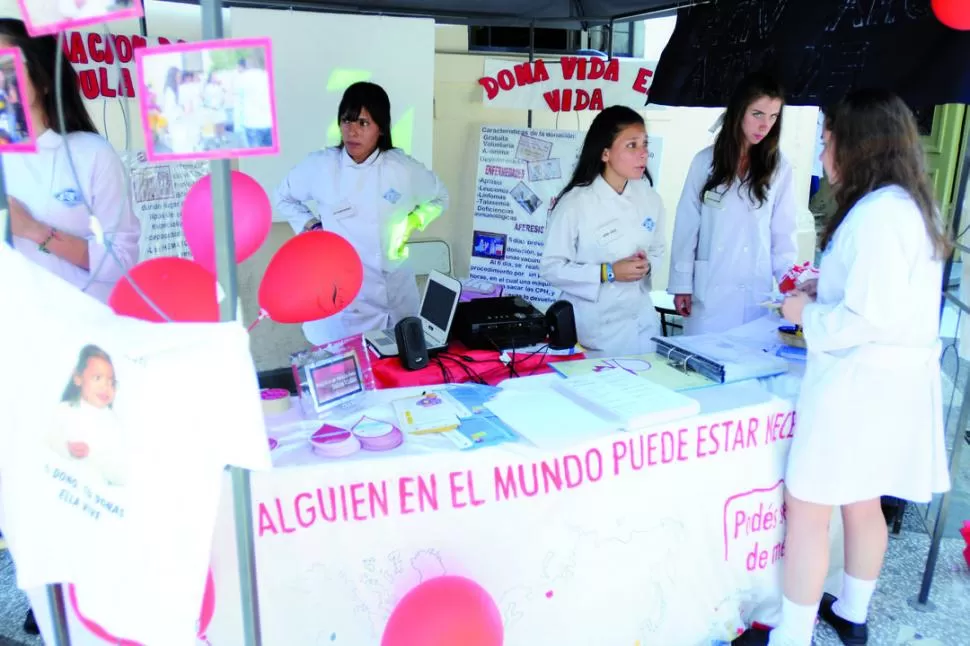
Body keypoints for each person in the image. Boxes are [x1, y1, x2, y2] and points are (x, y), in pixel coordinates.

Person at [733, 90, 950, 646]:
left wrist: (802, 309)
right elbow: (878, 297)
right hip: (889, 387)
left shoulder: (877, 216)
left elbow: (861, 318)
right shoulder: (909, 208)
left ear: (856, 148)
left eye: (828, 142)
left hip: (859, 387)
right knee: (864, 500)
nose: (823, 154)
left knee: (807, 507)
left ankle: (791, 636)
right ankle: (852, 613)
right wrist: (822, 288)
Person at [275, 81, 448, 346]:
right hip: (341, 294)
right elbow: (283, 197)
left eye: (363, 123)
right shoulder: (321, 166)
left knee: (396, 366)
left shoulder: (402, 169)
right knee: (343, 368)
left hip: (392, 294)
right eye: (347, 121)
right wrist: (312, 227)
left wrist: (412, 222)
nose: (352, 131)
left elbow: (439, 197)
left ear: (381, 128)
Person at [0, 18, 140, 305]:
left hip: (77, 327)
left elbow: (123, 258)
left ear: (43, 77)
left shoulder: (91, 154)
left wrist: (34, 230)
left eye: (6, 67)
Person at [667, 72, 797, 335]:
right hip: (710, 292)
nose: (765, 125)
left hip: (754, 293)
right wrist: (682, 283)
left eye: (773, 117)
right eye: (757, 114)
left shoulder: (780, 168)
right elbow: (687, 227)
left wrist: (790, 286)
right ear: (739, 111)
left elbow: (783, 236)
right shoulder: (704, 163)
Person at [540, 105, 666, 357]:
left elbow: (658, 249)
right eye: (632, 145)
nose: (643, 154)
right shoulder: (576, 203)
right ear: (605, 153)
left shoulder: (650, 198)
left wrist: (647, 265)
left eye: (645, 144)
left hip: (640, 323)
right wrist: (608, 272)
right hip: (597, 330)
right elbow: (551, 267)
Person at [51, 344, 127, 487]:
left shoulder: (113, 424)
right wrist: (67, 448)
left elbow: (119, 467)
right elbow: (48, 439)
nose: (106, 387)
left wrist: (93, 457)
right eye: (98, 378)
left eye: (111, 382)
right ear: (78, 378)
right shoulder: (65, 410)